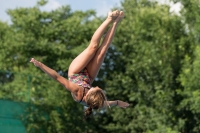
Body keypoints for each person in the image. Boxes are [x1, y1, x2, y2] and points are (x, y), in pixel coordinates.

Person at [30, 10, 129, 118]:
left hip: (75, 73)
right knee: (101, 53)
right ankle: (116, 21)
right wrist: (118, 102)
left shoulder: (77, 92)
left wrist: (40, 65)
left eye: (96, 88)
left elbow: (57, 77)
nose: (97, 86)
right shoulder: (97, 102)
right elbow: (109, 103)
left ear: (88, 95)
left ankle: (109, 18)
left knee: (93, 48)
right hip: (88, 78)